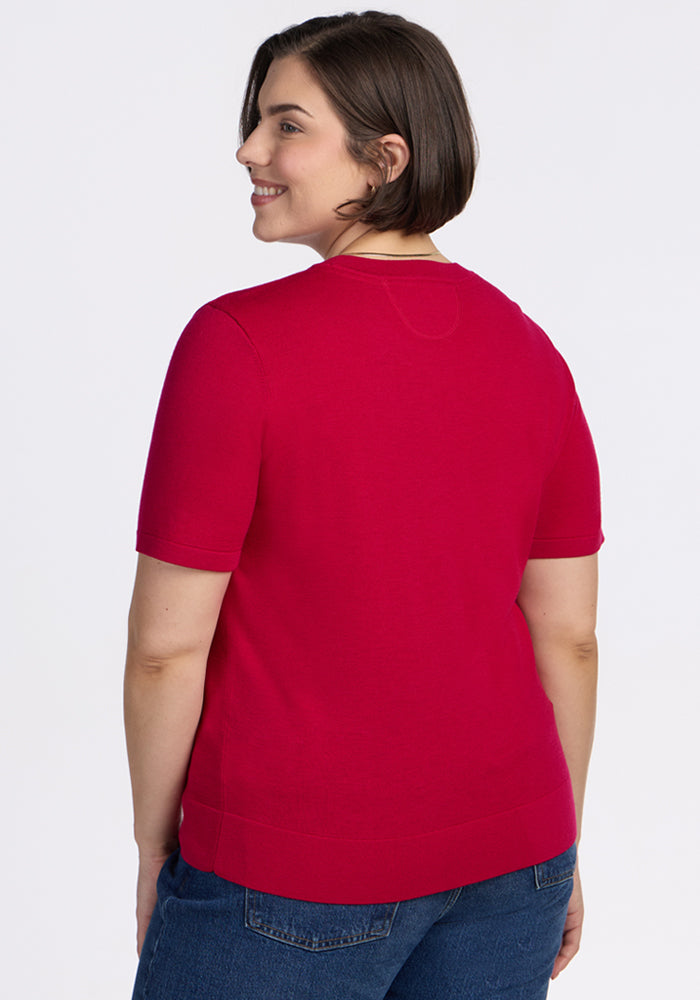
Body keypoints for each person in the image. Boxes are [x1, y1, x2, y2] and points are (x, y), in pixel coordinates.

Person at [124, 11, 603, 1000]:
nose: (249, 149)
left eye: (286, 125)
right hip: (513, 859)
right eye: (256, 121)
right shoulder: (529, 350)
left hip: (286, 869)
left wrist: (153, 847)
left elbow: (169, 647)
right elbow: (568, 634)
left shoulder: (236, 344)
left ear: (383, 157)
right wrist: (557, 844)